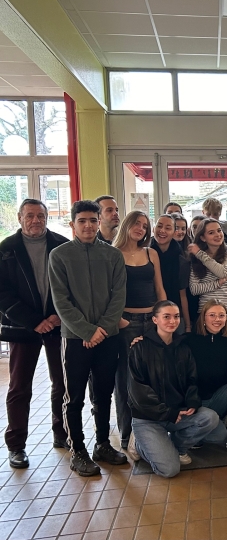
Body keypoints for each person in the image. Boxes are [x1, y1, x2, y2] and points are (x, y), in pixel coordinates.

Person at [48, 200, 128, 476]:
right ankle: (78, 451)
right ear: (72, 224)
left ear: (99, 222)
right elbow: (61, 301)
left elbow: (119, 296)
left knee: (104, 394)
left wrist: (101, 329)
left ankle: (103, 444)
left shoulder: (113, 256)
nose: (88, 226)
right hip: (74, 339)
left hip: (108, 336)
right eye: (82, 221)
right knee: (75, 397)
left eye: (93, 220)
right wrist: (86, 331)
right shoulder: (59, 256)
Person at [0, 199, 69, 468]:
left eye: (40, 215)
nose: (35, 220)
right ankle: (16, 446)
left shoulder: (62, 245)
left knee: (62, 383)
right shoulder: (7, 249)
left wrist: (56, 315)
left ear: (47, 217)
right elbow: (2, 293)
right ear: (19, 218)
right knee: (19, 388)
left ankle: (62, 435)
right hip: (22, 327)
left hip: (57, 324)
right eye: (30, 216)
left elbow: (70, 286)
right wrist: (34, 321)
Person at [127, 300, 219, 477]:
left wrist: (192, 401)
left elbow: (192, 380)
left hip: (177, 414)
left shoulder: (183, 347)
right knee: (169, 470)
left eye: (176, 316)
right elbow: (138, 392)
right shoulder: (139, 348)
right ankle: (140, 443)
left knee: (209, 418)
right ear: (155, 320)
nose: (172, 321)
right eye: (166, 317)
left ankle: (176, 447)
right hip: (148, 418)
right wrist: (167, 412)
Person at [112, 210, 167, 450]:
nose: (140, 229)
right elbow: (108, 292)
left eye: (145, 226)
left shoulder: (151, 252)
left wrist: (163, 317)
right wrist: (118, 320)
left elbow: (159, 288)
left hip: (152, 320)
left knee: (156, 375)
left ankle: (155, 432)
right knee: (126, 378)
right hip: (126, 321)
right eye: (136, 223)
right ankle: (126, 433)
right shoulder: (113, 254)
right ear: (127, 225)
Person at [186, 300, 227, 456]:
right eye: (212, 315)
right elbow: (164, 343)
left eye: (221, 315)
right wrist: (142, 340)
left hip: (217, 398)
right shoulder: (189, 340)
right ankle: (199, 431)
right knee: (218, 436)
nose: (217, 319)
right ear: (204, 318)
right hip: (196, 402)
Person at [188, 218, 227, 337]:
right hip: (205, 312)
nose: (218, 235)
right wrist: (217, 283)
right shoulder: (197, 256)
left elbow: (223, 272)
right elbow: (194, 289)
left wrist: (200, 254)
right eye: (211, 233)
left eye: (219, 230)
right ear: (203, 237)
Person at [151, 214, 192, 334]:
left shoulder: (181, 259)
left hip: (174, 312)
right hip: (149, 311)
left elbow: (182, 294)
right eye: (159, 226)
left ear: (174, 232)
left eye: (168, 228)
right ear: (153, 229)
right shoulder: (144, 252)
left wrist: (188, 325)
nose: (162, 230)